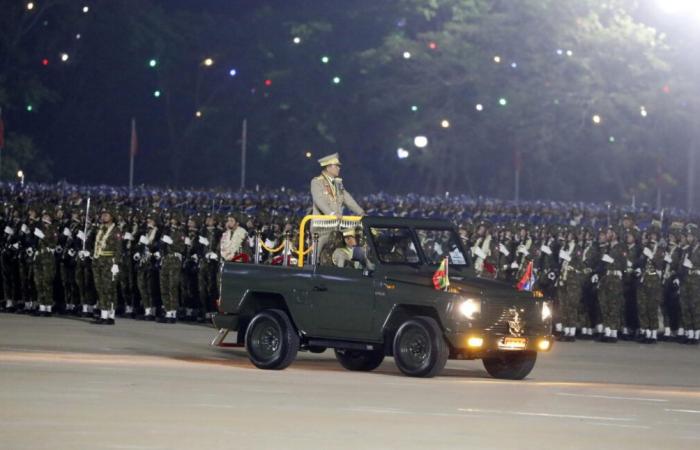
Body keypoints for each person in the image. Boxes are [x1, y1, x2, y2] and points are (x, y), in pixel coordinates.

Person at [310, 153, 364, 259]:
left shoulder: (338, 183)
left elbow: (348, 199)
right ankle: (312, 266)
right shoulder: (316, 182)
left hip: (337, 225)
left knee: (355, 239)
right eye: (337, 166)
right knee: (318, 249)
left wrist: (361, 212)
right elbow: (319, 200)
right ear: (329, 167)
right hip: (322, 227)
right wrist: (332, 214)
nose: (339, 168)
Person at [91, 208, 121, 325]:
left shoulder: (116, 231)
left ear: (112, 217)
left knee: (109, 289)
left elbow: (119, 249)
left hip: (109, 261)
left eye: (106, 215)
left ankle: (111, 315)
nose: (103, 217)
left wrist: (116, 263)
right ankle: (103, 315)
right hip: (98, 260)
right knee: (100, 288)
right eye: (102, 215)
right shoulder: (100, 229)